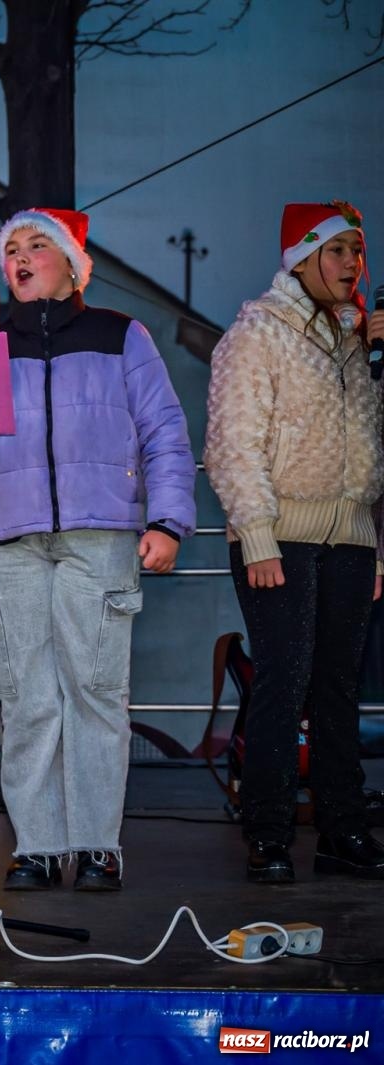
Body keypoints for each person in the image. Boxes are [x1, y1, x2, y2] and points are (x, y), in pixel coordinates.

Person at [0, 208, 197, 892]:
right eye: (11, 247)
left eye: (38, 244)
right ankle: (38, 846)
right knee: (26, 696)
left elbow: (165, 429)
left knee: (96, 690)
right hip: (12, 537)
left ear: (74, 264)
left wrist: (167, 520)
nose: (21, 256)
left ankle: (98, 845)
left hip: (100, 535)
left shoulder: (118, 336)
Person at [204, 201, 384, 883]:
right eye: (337, 251)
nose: (351, 265)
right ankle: (269, 834)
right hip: (279, 534)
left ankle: (343, 829)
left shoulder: (356, 339)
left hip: (352, 537)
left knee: (340, 687)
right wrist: (256, 536)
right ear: (302, 259)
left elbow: (375, 448)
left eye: (359, 252)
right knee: (286, 680)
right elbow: (232, 442)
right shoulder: (258, 334)